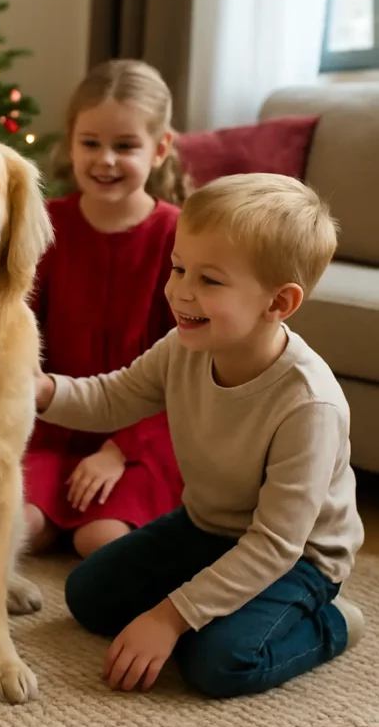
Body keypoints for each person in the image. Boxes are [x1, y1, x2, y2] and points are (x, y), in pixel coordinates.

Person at [35, 173, 365, 699]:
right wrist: (43, 390)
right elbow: (113, 397)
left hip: (298, 558)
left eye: (208, 280)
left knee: (216, 662)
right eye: (178, 266)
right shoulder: (183, 347)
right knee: (88, 594)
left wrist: (170, 619)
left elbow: (276, 544)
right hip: (206, 526)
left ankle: (333, 623)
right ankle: (209, 599)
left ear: (279, 303)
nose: (179, 291)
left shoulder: (309, 405)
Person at [24, 59, 188, 559]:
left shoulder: (179, 235)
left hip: (146, 434)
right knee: (16, 530)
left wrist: (120, 450)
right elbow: (18, 324)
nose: (106, 160)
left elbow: (189, 366)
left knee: (100, 541)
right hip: (52, 427)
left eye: (125, 146)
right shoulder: (46, 225)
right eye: (91, 143)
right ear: (70, 141)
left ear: (159, 149)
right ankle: (55, 515)